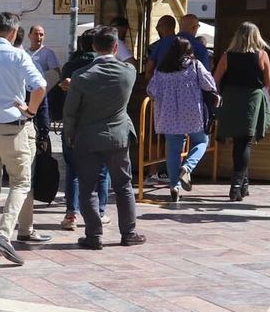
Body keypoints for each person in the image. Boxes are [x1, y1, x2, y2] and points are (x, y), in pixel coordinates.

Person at [0, 13, 49, 265]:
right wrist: (31, 111)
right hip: (11, 128)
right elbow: (40, 86)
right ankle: (3, 235)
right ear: (14, 33)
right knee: (20, 182)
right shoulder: (18, 55)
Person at [63, 26, 145, 250]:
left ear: (93, 46)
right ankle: (129, 233)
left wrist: (69, 135)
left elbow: (70, 112)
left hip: (88, 137)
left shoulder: (81, 76)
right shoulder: (128, 72)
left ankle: (94, 235)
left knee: (87, 188)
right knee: (123, 186)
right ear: (116, 47)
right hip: (118, 137)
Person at [147, 38, 219, 203]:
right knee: (202, 141)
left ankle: (174, 186)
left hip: (168, 115)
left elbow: (151, 90)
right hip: (191, 112)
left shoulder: (161, 69)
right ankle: (187, 167)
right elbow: (209, 84)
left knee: (173, 150)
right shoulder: (194, 65)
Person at [213, 23, 270, 203]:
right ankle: (236, 187)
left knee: (238, 143)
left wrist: (219, 96)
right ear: (257, 36)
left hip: (231, 98)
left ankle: (243, 186)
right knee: (244, 142)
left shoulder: (227, 55)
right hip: (251, 99)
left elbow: (215, 79)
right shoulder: (262, 55)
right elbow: (268, 82)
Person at [58, 32, 110, 230]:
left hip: (74, 124)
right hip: (99, 124)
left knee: (73, 170)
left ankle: (72, 214)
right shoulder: (106, 68)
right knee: (102, 170)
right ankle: (101, 212)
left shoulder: (70, 67)